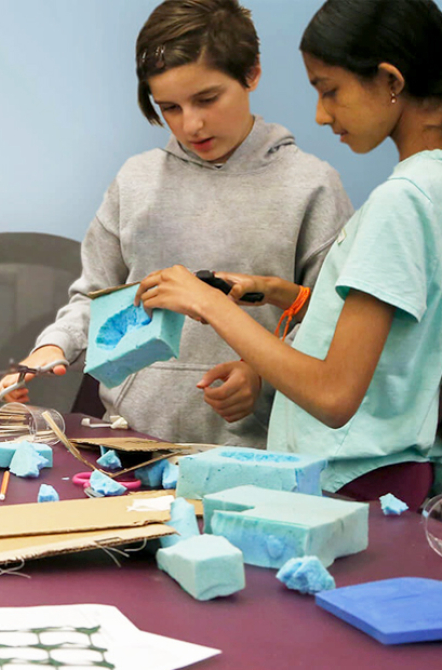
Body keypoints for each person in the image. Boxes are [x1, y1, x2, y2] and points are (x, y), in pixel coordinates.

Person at [0, 0, 351, 447]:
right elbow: (94, 295)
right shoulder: (136, 181)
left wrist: (261, 377)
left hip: (254, 450)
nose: (191, 124)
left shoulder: (312, 185)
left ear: (252, 74)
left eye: (207, 99)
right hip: (128, 442)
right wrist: (56, 344)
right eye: (171, 108)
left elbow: (329, 322)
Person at [137, 0, 442, 505]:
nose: (321, 115)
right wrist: (293, 297)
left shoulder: (400, 200)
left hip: (349, 483)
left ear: (391, 81)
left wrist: (209, 306)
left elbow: (333, 394)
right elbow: (401, 335)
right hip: (392, 476)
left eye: (330, 90)